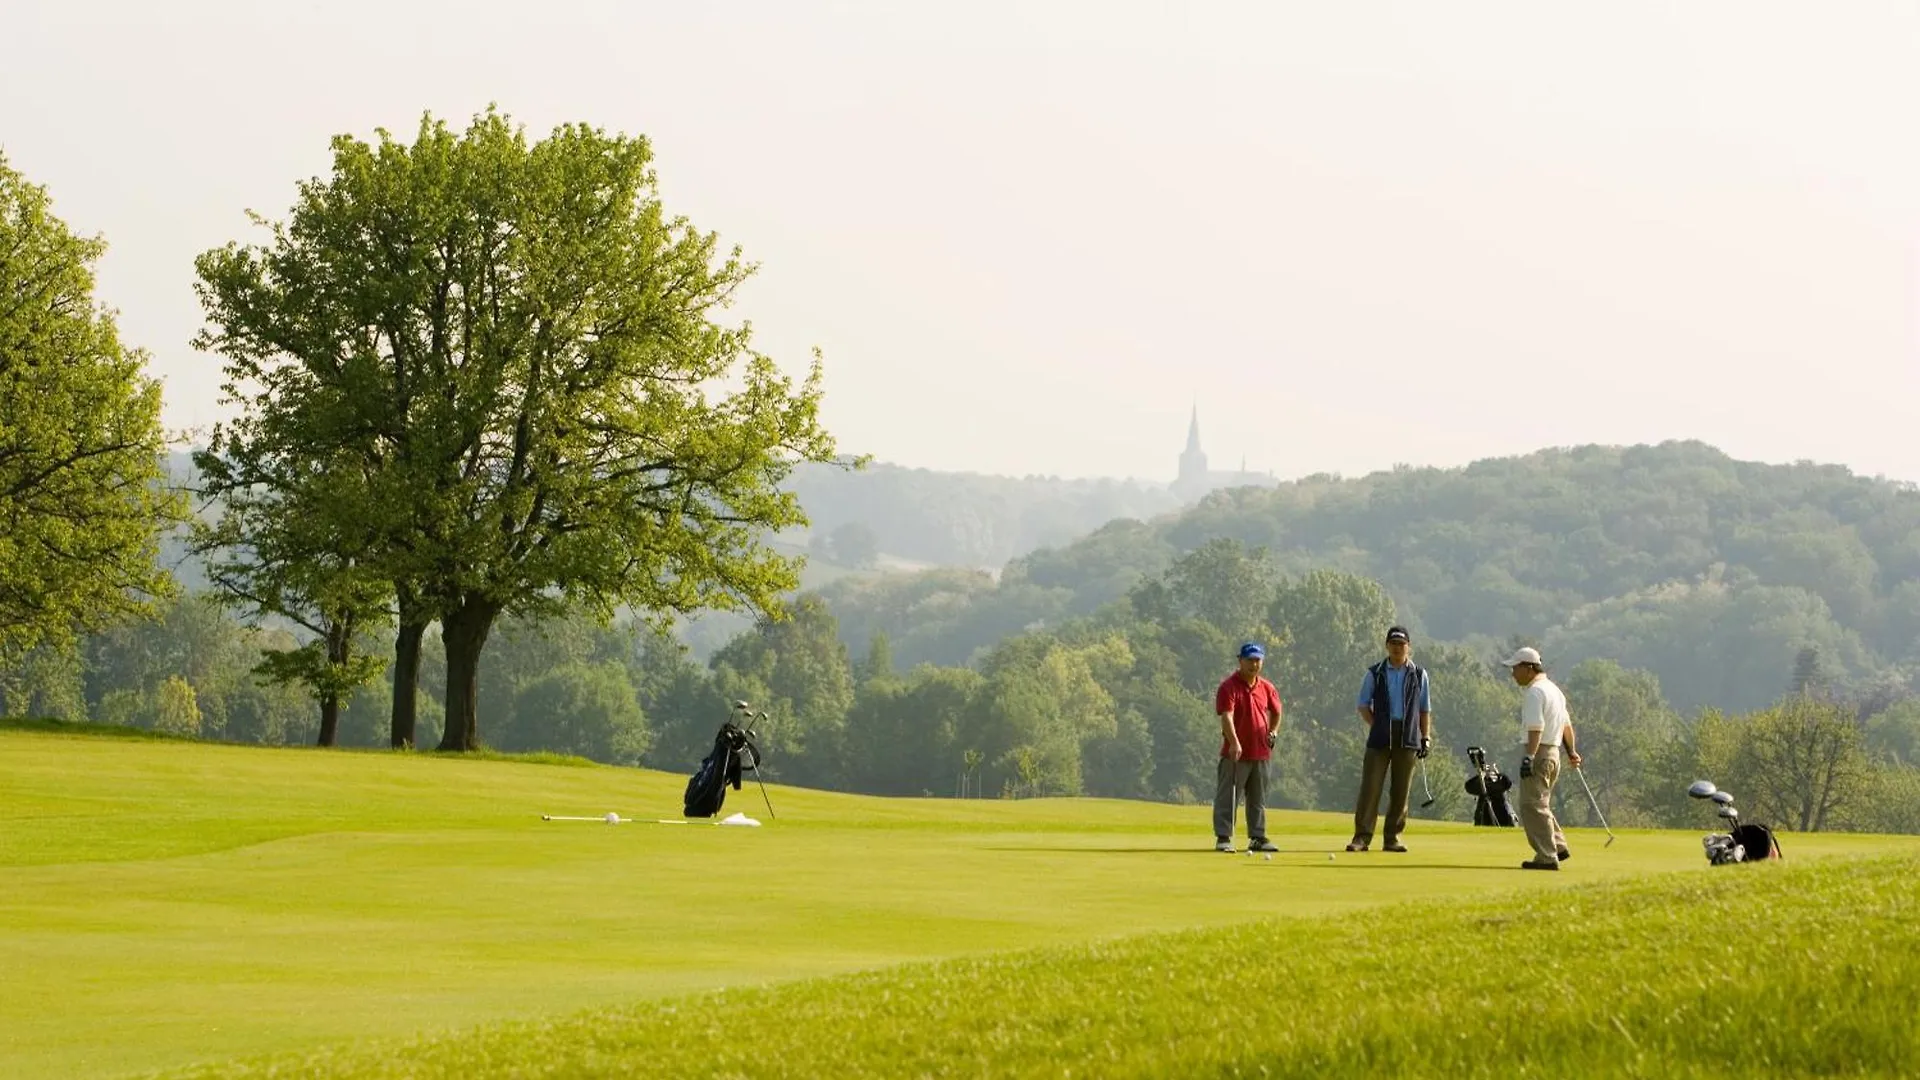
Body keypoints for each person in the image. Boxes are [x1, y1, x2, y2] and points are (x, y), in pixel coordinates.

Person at [1346, 625, 1432, 852]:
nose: (1397, 648)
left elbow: (1424, 709)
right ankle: (1362, 837)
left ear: (1408, 647)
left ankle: (1392, 838)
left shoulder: (1419, 674)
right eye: (1393, 644)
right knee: (1370, 788)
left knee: (1400, 791)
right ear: (1387, 646)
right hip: (1380, 737)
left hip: (1408, 736)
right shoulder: (1375, 672)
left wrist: (1426, 737)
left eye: (1401, 644)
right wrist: (1377, 725)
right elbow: (1363, 705)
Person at [1503, 646, 1582, 870]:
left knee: (1531, 805)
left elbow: (1536, 728)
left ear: (1528, 668)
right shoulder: (1554, 690)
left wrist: (1529, 756)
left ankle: (1547, 856)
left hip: (1539, 752)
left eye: (1516, 668)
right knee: (1540, 803)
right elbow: (1566, 726)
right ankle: (1558, 846)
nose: (1513, 673)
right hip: (1554, 752)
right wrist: (1572, 752)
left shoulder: (1535, 692)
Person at [1214, 641, 1284, 853]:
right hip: (1236, 753)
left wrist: (1273, 732)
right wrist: (1234, 742)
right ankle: (1224, 837)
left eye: (1257, 660)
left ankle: (1257, 837)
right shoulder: (1229, 686)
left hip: (1261, 751)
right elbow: (1226, 716)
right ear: (1240, 660)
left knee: (1258, 799)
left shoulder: (1267, 687)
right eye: (1250, 660)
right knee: (1229, 796)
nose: (1254, 664)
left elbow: (1277, 711)